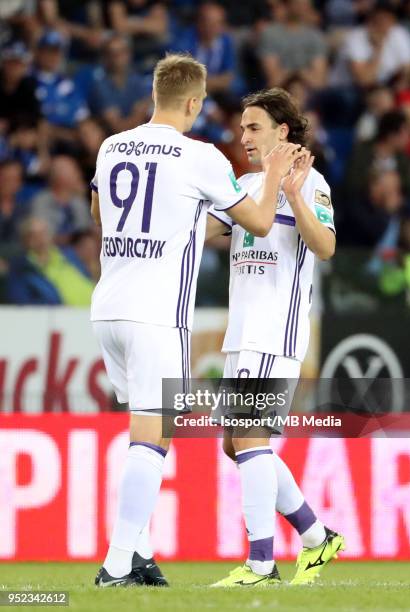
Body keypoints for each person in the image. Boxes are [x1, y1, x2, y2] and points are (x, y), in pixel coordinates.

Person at [90, 53, 303, 587]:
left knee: (139, 427)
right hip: (156, 313)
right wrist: (275, 173)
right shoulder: (201, 156)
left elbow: (99, 214)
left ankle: (139, 558)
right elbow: (255, 220)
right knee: (153, 437)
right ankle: (117, 563)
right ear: (193, 102)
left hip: (107, 306)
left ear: (154, 95)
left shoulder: (112, 145)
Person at [206, 88, 344, 586]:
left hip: (274, 331)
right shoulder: (242, 184)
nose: (243, 136)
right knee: (234, 442)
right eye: (242, 127)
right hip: (242, 333)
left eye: (254, 127)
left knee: (248, 437)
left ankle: (261, 563)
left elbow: (325, 247)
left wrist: (289, 195)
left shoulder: (312, 183)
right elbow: (203, 232)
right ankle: (315, 536)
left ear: (283, 132)